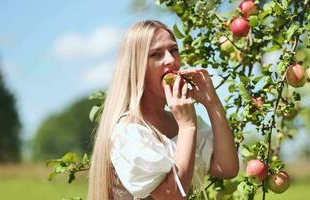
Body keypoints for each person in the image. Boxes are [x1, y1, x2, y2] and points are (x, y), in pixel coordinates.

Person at [88, 20, 239, 200]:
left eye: (173, 50)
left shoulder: (181, 120)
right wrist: (187, 128)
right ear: (137, 68)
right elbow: (172, 195)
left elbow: (228, 168)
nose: (171, 60)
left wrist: (212, 103)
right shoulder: (128, 131)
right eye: (156, 54)